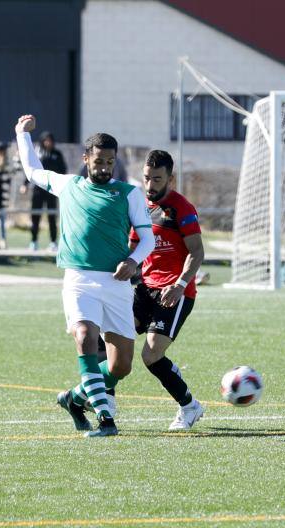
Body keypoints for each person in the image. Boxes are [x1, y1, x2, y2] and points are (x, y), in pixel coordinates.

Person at [15, 114, 155, 438]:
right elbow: (33, 171)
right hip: (79, 279)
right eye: (98, 161)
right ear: (85, 158)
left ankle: (74, 398)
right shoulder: (68, 185)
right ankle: (105, 417)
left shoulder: (129, 194)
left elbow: (147, 238)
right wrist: (22, 135)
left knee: (121, 366)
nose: (104, 167)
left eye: (109, 161)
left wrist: (134, 262)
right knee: (84, 337)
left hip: (117, 283)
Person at [127, 150, 205, 430]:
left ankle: (189, 406)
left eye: (157, 179)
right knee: (110, 335)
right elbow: (134, 247)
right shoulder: (140, 205)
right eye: (146, 178)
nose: (150, 185)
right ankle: (100, 399)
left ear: (170, 178)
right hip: (145, 289)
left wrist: (181, 283)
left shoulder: (181, 208)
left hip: (175, 292)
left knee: (151, 355)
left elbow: (197, 251)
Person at [20, 131, 64, 251]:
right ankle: (33, 241)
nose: (48, 143)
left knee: (51, 217)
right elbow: (31, 170)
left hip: (52, 190)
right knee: (35, 216)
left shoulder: (57, 154)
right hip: (38, 190)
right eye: (46, 140)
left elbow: (63, 170)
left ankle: (53, 242)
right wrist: (25, 184)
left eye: (50, 140)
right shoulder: (37, 153)